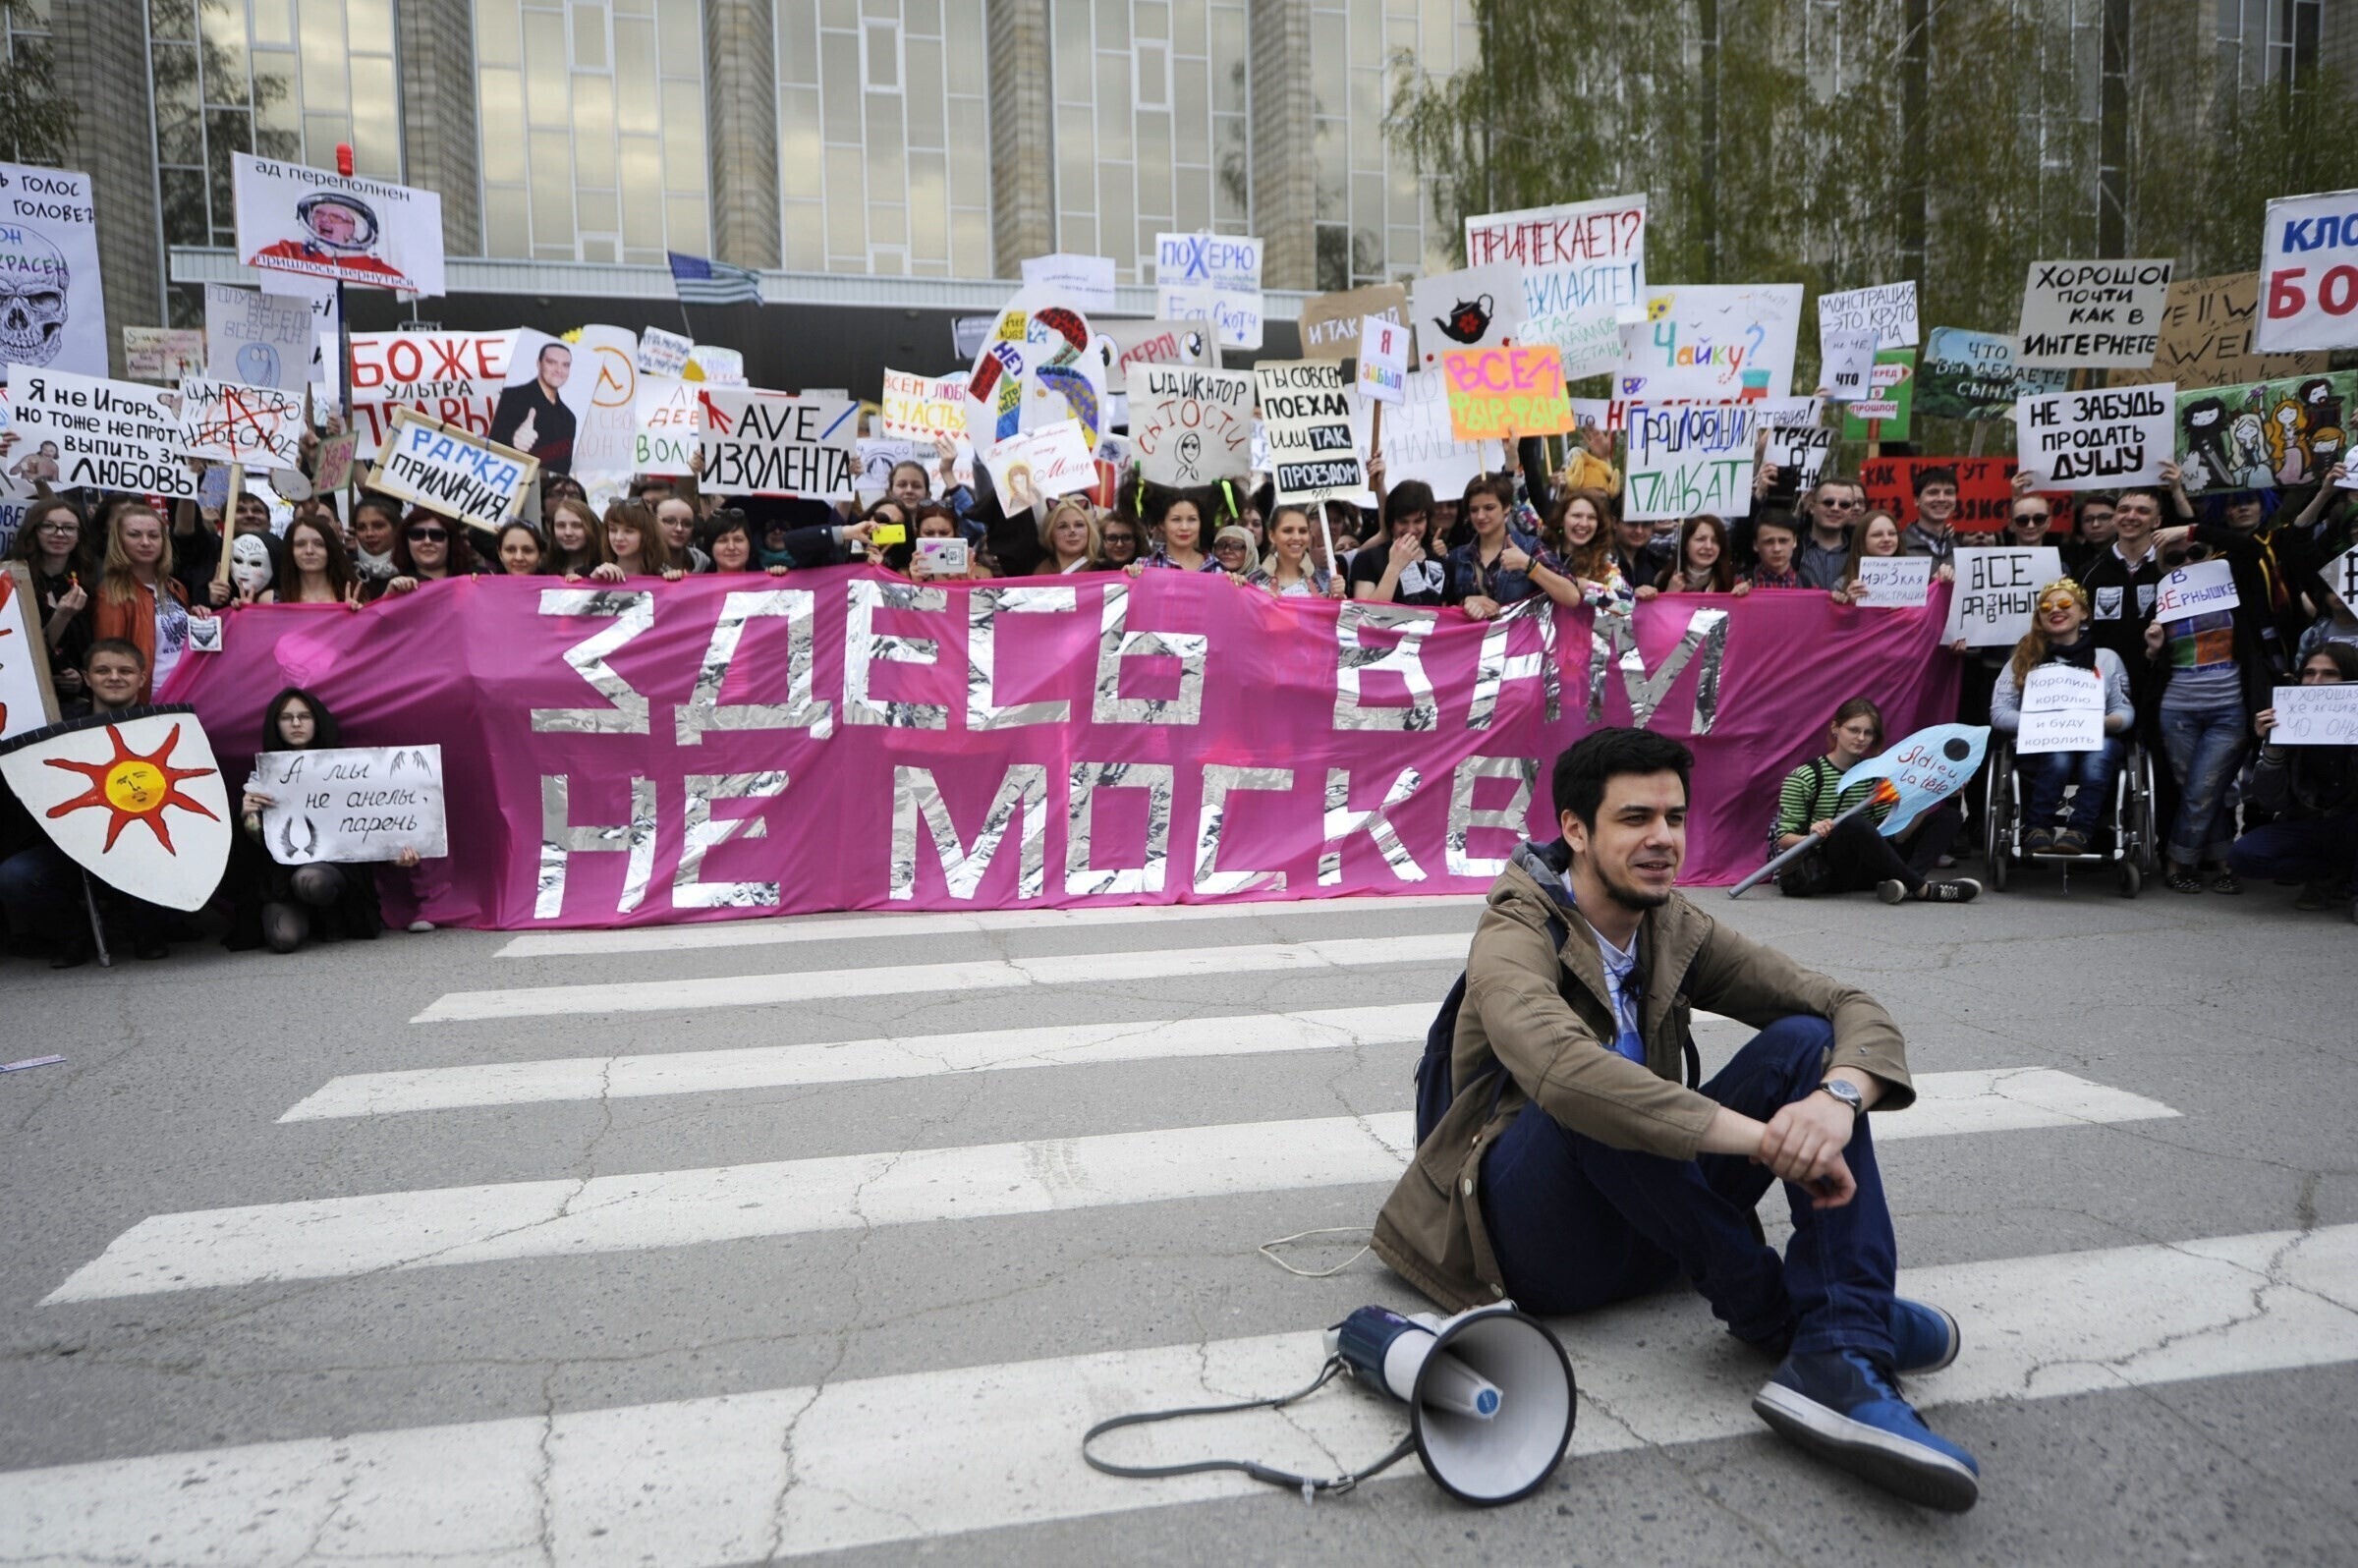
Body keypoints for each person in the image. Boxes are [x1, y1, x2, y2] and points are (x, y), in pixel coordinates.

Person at [1373, 729, 1981, 1513]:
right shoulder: (1516, 930)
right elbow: (1565, 1073)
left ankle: (1841, 1343)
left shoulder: (1672, 926)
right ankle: (1785, 1314)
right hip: (1537, 1248)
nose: (1663, 838)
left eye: (1675, 817)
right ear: (1576, 830)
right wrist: (1766, 1141)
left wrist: (1836, 1099)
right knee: (1591, 1089)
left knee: (1806, 1044)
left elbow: (1845, 1004)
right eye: (1635, 818)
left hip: (1654, 1214)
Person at [0, 641, 173, 963]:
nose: (114, 677)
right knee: (15, 876)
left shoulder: (163, 725)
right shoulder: (56, 726)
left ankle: (147, 931)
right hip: (71, 844)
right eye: (103, 670)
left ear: (141, 678)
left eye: (125, 671)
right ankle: (75, 936)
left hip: (143, 843)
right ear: (86, 677)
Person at [230, 689, 405, 954]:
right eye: (286, 717)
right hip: (281, 878)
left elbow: (370, 820)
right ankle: (310, 919)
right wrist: (247, 816)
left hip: (332, 870)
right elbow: (253, 847)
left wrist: (396, 853)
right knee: (283, 939)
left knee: (310, 880)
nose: (296, 723)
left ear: (317, 720)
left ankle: (333, 917)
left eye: (304, 716)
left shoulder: (349, 768)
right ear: (275, 725)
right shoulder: (264, 774)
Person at [1769, 698, 1978, 903]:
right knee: (1852, 823)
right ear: (1835, 728)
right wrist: (1813, 835)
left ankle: (1905, 885)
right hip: (1827, 870)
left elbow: (1896, 837)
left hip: (1873, 865)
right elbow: (1784, 838)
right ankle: (1922, 889)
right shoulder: (1805, 776)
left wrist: (1931, 796)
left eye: (1868, 732)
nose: (1861, 738)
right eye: (1853, 730)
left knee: (1950, 816)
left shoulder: (1875, 775)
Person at [1988, 580, 2134, 856]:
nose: (2055, 610)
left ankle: (2080, 831)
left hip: (2094, 738)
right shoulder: (2022, 659)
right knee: (2059, 756)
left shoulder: (2106, 658)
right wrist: (2043, 723)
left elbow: (2124, 712)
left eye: (2065, 604)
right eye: (2046, 607)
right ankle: (2037, 827)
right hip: (2040, 742)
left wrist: (2100, 723)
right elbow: (1999, 712)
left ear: (2083, 613)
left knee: (2100, 756)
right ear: (2039, 617)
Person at [2230, 644, 2358, 917]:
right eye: (2309, 673)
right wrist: (2272, 748)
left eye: (2329, 674)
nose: (2316, 682)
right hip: (2307, 822)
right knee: (2244, 856)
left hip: (2351, 823)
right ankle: (2328, 875)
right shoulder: (2288, 719)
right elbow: (2269, 801)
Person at [89, 504, 208, 702]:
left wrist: (197, 618)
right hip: (150, 698)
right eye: (134, 535)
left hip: (190, 689)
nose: (145, 542)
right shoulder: (111, 594)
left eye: (153, 535)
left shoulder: (175, 587)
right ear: (119, 540)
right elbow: (110, 658)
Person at [8, 496, 93, 703]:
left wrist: (80, 677)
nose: (59, 534)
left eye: (69, 528)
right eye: (48, 526)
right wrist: (62, 616)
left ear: (79, 536)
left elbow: (88, 646)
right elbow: (19, 653)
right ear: (33, 531)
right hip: (27, 697)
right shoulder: (12, 581)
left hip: (76, 702)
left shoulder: (84, 582)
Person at [1347, 479, 1448, 605]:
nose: (1411, 529)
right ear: (1392, 522)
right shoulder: (1367, 559)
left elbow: (1448, 611)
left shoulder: (1441, 563)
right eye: (1403, 522)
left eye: (1418, 521)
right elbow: (1364, 611)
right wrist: (1395, 566)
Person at [488, 340, 579, 473]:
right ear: (538, 363)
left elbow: (563, 469)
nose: (559, 370)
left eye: (565, 365)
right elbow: (484, 442)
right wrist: (512, 439)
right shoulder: (508, 397)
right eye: (551, 362)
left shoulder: (569, 418)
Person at [370, 510, 483, 599]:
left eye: (437, 535)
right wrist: (388, 599)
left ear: (451, 541)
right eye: (417, 534)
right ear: (405, 542)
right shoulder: (390, 588)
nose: (427, 541)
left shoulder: (477, 577)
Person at [1639, 514, 1748, 598]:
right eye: (1700, 539)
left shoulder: (1731, 580)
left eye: (1715, 541)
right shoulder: (1662, 579)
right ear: (1686, 544)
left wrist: (1739, 599)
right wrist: (1669, 594)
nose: (1708, 546)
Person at [1249, 504, 1340, 597]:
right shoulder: (1253, 582)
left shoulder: (1327, 581)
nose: (1296, 537)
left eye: (1303, 531)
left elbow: (1335, 606)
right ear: (1272, 536)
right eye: (1288, 530)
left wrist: (1337, 597)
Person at [585, 501, 685, 583]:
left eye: (629, 531)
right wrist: (594, 582)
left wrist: (675, 582)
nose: (618, 538)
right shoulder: (596, 574)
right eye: (613, 530)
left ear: (647, 535)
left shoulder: (663, 575)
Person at [1796, 478, 1863, 590]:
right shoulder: (1791, 548)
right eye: (1828, 502)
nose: (1835, 508)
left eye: (1844, 505)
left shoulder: (1861, 551)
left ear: (1851, 512)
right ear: (1812, 507)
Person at [279, 514, 358, 606]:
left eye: (319, 544)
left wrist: (356, 613)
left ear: (331, 549)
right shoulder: (272, 600)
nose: (309, 551)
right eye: (300, 544)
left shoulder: (355, 597)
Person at [1831, 509, 1904, 605]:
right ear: (1862, 541)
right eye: (1877, 535)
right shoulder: (1841, 585)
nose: (1887, 539)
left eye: (1892, 533)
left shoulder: (1915, 579)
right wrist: (1849, 604)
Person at [1899, 467, 1959, 569]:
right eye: (1933, 492)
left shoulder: (1960, 550)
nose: (1941, 499)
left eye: (1949, 493)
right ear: (1917, 500)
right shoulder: (1898, 547)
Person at [702, 510, 790, 576]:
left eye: (738, 540)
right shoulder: (699, 587)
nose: (731, 547)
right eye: (723, 541)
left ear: (749, 545)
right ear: (710, 547)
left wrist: (778, 578)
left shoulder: (767, 580)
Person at [543, 496, 606, 578]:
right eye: (561, 525)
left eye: (576, 525)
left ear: (591, 528)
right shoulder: (543, 569)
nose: (568, 532)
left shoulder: (605, 569)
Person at [349, 494, 403, 588]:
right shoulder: (346, 569)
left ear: (397, 528)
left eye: (378, 526)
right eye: (361, 528)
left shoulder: (416, 566)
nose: (369, 534)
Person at [1035, 497, 1100, 575]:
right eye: (1063, 526)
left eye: (1079, 525)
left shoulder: (1102, 569)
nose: (1072, 531)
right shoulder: (1042, 570)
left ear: (1089, 530)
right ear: (1050, 533)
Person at [655, 493, 713, 574]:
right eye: (670, 521)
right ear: (653, 522)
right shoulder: (642, 566)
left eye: (687, 524)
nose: (679, 529)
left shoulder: (707, 565)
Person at [1749, 514, 1804, 590]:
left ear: (1795, 541)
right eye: (1769, 542)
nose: (1777, 549)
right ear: (1755, 544)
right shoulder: (1740, 584)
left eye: (1783, 541)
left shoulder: (1808, 586)